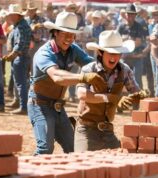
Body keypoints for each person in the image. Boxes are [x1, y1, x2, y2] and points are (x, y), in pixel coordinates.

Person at [27, 11, 106, 155]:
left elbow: (93, 65)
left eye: (72, 35)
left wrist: (112, 68)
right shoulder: (44, 53)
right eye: (65, 34)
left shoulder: (73, 50)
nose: (69, 38)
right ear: (55, 33)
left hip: (58, 108)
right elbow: (57, 76)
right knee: (45, 149)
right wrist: (84, 77)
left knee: (74, 148)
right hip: (39, 105)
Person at [75, 30, 148, 152]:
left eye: (118, 53)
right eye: (110, 53)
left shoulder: (124, 70)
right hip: (86, 129)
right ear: (100, 52)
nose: (114, 57)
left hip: (108, 130)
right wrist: (110, 98)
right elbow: (81, 94)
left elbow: (136, 92)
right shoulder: (89, 69)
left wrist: (140, 96)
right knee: (83, 163)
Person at [2, 4, 32, 114]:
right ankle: (19, 102)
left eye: (11, 15)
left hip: (20, 57)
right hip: (19, 57)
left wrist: (13, 54)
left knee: (21, 83)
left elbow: (21, 43)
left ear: (16, 15)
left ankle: (23, 107)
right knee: (18, 82)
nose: (9, 17)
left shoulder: (21, 26)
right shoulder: (19, 25)